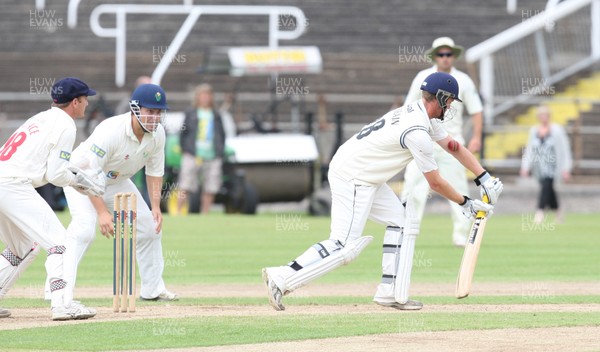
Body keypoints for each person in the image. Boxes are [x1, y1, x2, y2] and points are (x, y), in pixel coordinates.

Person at [262, 72, 503, 311]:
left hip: (366, 174)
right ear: (440, 98)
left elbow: (454, 147)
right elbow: (435, 183)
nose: (450, 105)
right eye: (449, 100)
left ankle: (388, 292)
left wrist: (484, 177)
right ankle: (281, 278)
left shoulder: (421, 115)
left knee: (401, 222)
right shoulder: (417, 131)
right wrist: (465, 203)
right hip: (354, 176)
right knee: (344, 247)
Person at [49, 83, 178, 306]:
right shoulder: (112, 130)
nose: (154, 118)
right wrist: (102, 212)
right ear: (136, 109)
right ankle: (56, 289)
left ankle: (153, 289)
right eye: (150, 112)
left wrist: (155, 206)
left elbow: (155, 171)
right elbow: (89, 172)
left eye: (158, 113)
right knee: (84, 230)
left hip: (115, 181)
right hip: (79, 178)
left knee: (149, 227)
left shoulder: (158, 135)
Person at [0, 77, 102, 320]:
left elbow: (52, 168)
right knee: (60, 243)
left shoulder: (42, 117)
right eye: (85, 99)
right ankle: (62, 304)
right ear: (75, 102)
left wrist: (77, 176)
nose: (87, 104)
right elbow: (55, 175)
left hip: (5, 181)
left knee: (22, 248)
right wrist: (80, 183)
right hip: (13, 186)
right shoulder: (66, 125)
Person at [401, 37, 484, 247]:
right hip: (421, 140)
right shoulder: (422, 76)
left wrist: (476, 137)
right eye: (441, 54)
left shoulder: (463, 80)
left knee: (457, 189)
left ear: (453, 56)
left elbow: (476, 110)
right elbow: (408, 107)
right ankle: (407, 230)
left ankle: (460, 235)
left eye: (448, 54)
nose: (445, 58)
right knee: (412, 188)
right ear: (435, 56)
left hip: (452, 144)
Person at [177, 84, 226, 214]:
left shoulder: (216, 114)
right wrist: (185, 149)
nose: (205, 98)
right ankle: (178, 212)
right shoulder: (191, 112)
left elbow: (222, 134)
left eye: (207, 95)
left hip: (212, 155)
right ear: (198, 97)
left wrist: (220, 152)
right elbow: (183, 133)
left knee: (210, 186)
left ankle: (205, 214)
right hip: (193, 154)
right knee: (185, 184)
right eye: (202, 95)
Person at [520, 105, 572, 223]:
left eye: (546, 115)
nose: (544, 117)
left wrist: (566, 168)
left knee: (546, 186)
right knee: (548, 189)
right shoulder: (534, 131)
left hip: (553, 166)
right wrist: (525, 166)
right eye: (541, 115)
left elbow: (564, 149)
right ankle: (558, 211)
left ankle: (540, 212)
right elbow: (530, 149)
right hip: (539, 167)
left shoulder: (557, 130)